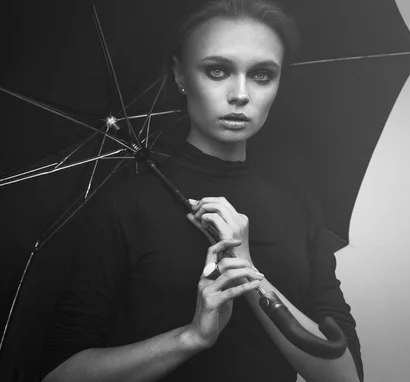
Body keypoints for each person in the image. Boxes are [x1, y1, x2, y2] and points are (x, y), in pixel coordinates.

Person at [38, 0, 363, 381]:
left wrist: (249, 273)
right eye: (218, 70)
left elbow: (344, 375)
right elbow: (58, 376)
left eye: (261, 75)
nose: (240, 94)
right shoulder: (123, 205)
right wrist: (191, 337)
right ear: (180, 75)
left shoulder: (299, 207)